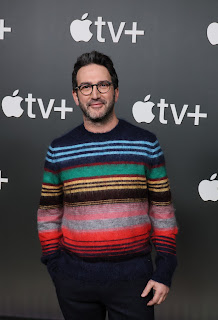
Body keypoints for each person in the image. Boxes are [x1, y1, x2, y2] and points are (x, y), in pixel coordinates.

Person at [37, 51, 178, 320]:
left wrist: (165, 270)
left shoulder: (145, 143)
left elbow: (163, 212)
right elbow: (48, 215)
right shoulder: (59, 150)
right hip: (74, 282)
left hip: (135, 282)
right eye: (86, 87)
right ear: (76, 96)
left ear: (115, 91)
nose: (95, 94)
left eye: (103, 85)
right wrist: (56, 267)